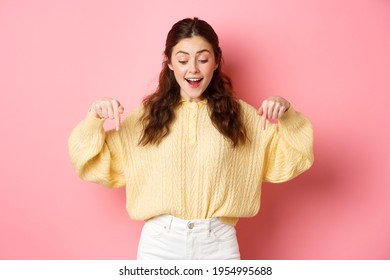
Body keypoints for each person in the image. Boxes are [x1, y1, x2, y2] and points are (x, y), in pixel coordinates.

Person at [68, 17, 314, 260]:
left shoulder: (244, 118)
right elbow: (90, 163)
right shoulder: (144, 120)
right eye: (183, 59)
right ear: (170, 63)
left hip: (219, 244)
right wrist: (94, 118)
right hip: (159, 245)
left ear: (216, 61)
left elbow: (297, 156)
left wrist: (286, 114)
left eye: (203, 59)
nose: (193, 68)